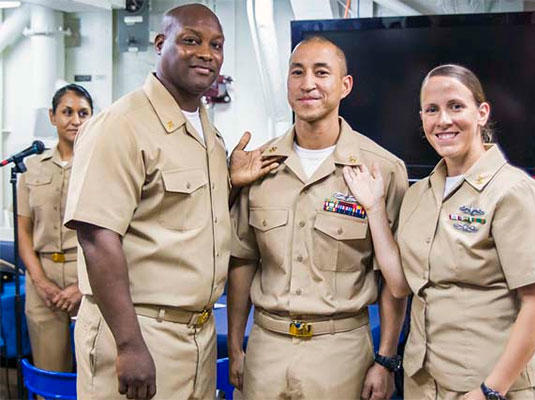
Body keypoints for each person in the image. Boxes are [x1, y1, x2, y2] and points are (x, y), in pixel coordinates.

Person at [63, 4, 278, 399]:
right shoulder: (122, 124)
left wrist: (229, 182)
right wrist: (129, 345)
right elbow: (96, 237)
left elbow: (181, 217)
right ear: (161, 44)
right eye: (190, 40)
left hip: (197, 335)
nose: (206, 53)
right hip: (138, 330)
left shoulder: (208, 134)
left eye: (216, 45)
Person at [343, 64, 535, 400]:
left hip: (488, 384)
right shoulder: (420, 194)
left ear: (482, 113)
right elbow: (400, 284)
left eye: (455, 106)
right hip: (424, 381)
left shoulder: (514, 193)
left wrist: (490, 390)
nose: (443, 120)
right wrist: (374, 209)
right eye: (432, 110)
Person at [228, 35, 409, 400]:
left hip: (340, 353)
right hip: (267, 349)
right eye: (297, 72)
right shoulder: (259, 166)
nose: (307, 83)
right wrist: (235, 347)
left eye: (321, 72)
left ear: (345, 85)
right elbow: (243, 260)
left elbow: (393, 281)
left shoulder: (382, 170)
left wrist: (386, 359)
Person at [17, 84, 93, 372]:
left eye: (83, 113)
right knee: (50, 372)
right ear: (52, 116)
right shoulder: (31, 169)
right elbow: (24, 231)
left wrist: (82, 286)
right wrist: (40, 282)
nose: (75, 120)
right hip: (42, 274)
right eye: (67, 112)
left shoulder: (100, 165)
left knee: (96, 374)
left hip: (88, 275)